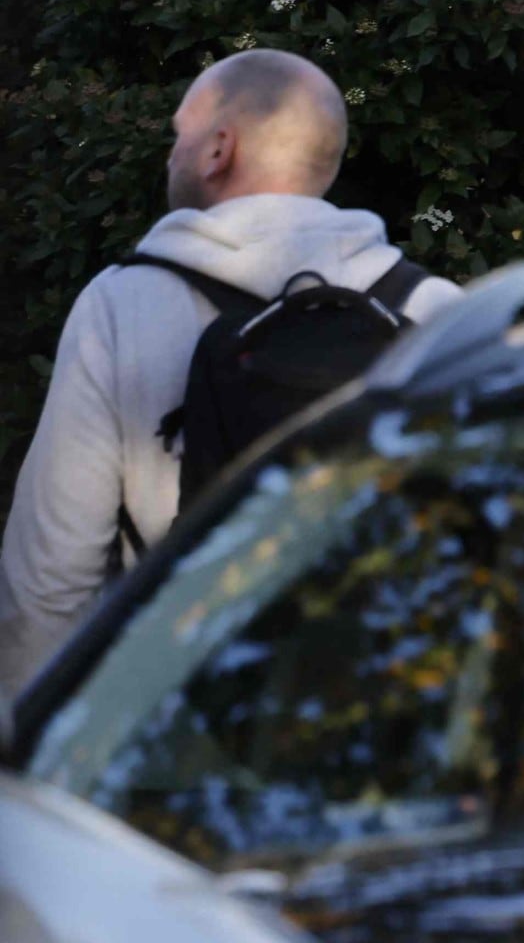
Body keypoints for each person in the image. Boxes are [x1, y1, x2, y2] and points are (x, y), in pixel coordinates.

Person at [0, 52, 462, 701]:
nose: (172, 151)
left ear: (219, 148)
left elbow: (51, 572)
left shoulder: (122, 304)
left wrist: (32, 751)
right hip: (378, 714)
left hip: (180, 723)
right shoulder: (434, 309)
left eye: (179, 132)